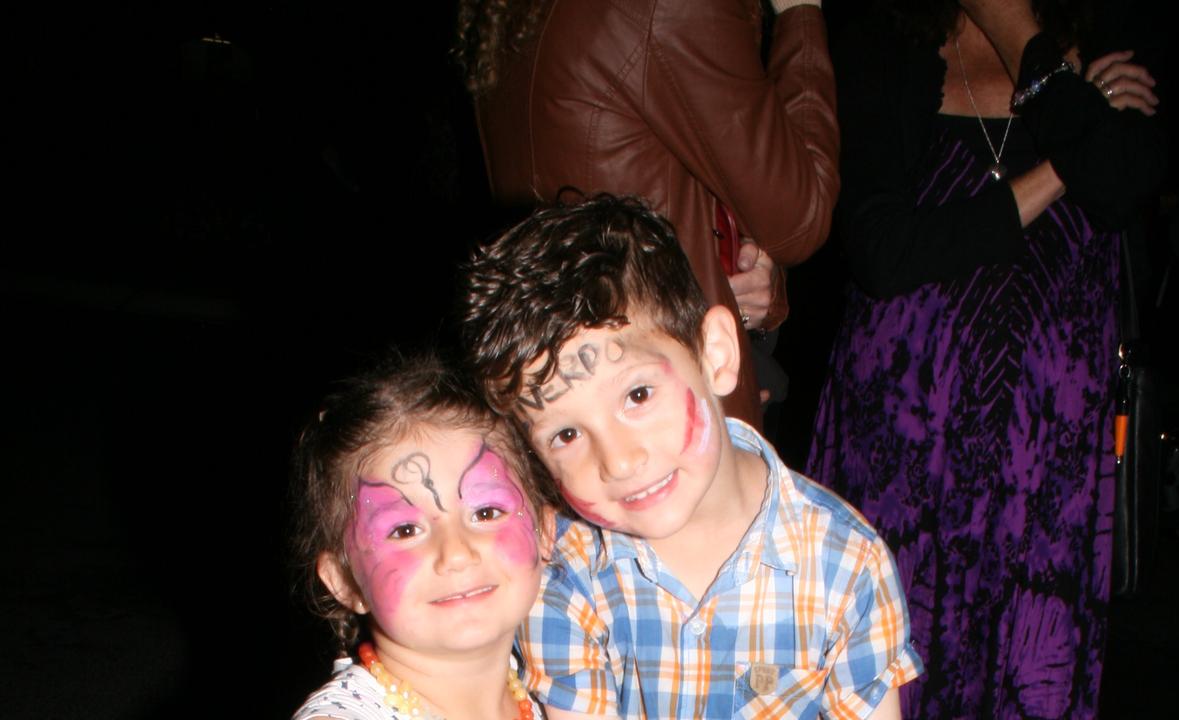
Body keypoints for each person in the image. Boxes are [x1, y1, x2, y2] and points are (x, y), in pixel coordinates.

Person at [805, 0, 1165, 718]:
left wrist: (1020, 36)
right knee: (880, 677)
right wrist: (1065, 162)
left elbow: (1127, 183)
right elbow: (884, 252)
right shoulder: (887, 43)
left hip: (1045, 453)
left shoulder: (1095, 42)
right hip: (903, 439)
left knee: (1027, 672)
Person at [458, 194, 922, 719]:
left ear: (716, 356)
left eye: (637, 396)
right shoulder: (564, 574)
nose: (619, 461)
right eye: (566, 434)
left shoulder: (849, 567)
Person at [454, 0, 840, 430]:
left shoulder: (512, 12)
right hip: (659, 397)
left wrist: (737, 271)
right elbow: (799, 220)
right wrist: (799, 11)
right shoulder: (663, 8)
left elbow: (649, 165)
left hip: (568, 384)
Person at [290, 353, 553, 720]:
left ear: (545, 531)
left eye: (486, 513)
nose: (457, 553)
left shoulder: (565, 695)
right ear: (344, 580)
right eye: (405, 531)